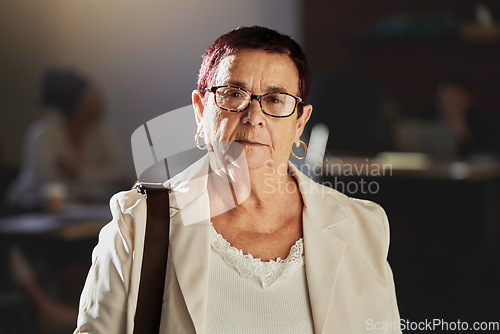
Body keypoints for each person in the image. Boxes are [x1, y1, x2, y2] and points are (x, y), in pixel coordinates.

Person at [75, 26, 401, 333]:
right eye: (234, 93)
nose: (253, 116)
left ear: (300, 123)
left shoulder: (361, 227)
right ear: (201, 111)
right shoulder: (137, 223)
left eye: (274, 99)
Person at [7, 69, 129, 210]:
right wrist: (100, 180)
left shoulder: (101, 133)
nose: (102, 103)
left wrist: (79, 175)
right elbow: (53, 187)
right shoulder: (42, 136)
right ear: (79, 103)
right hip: (30, 209)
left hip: (83, 210)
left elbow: (120, 173)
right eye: (95, 97)